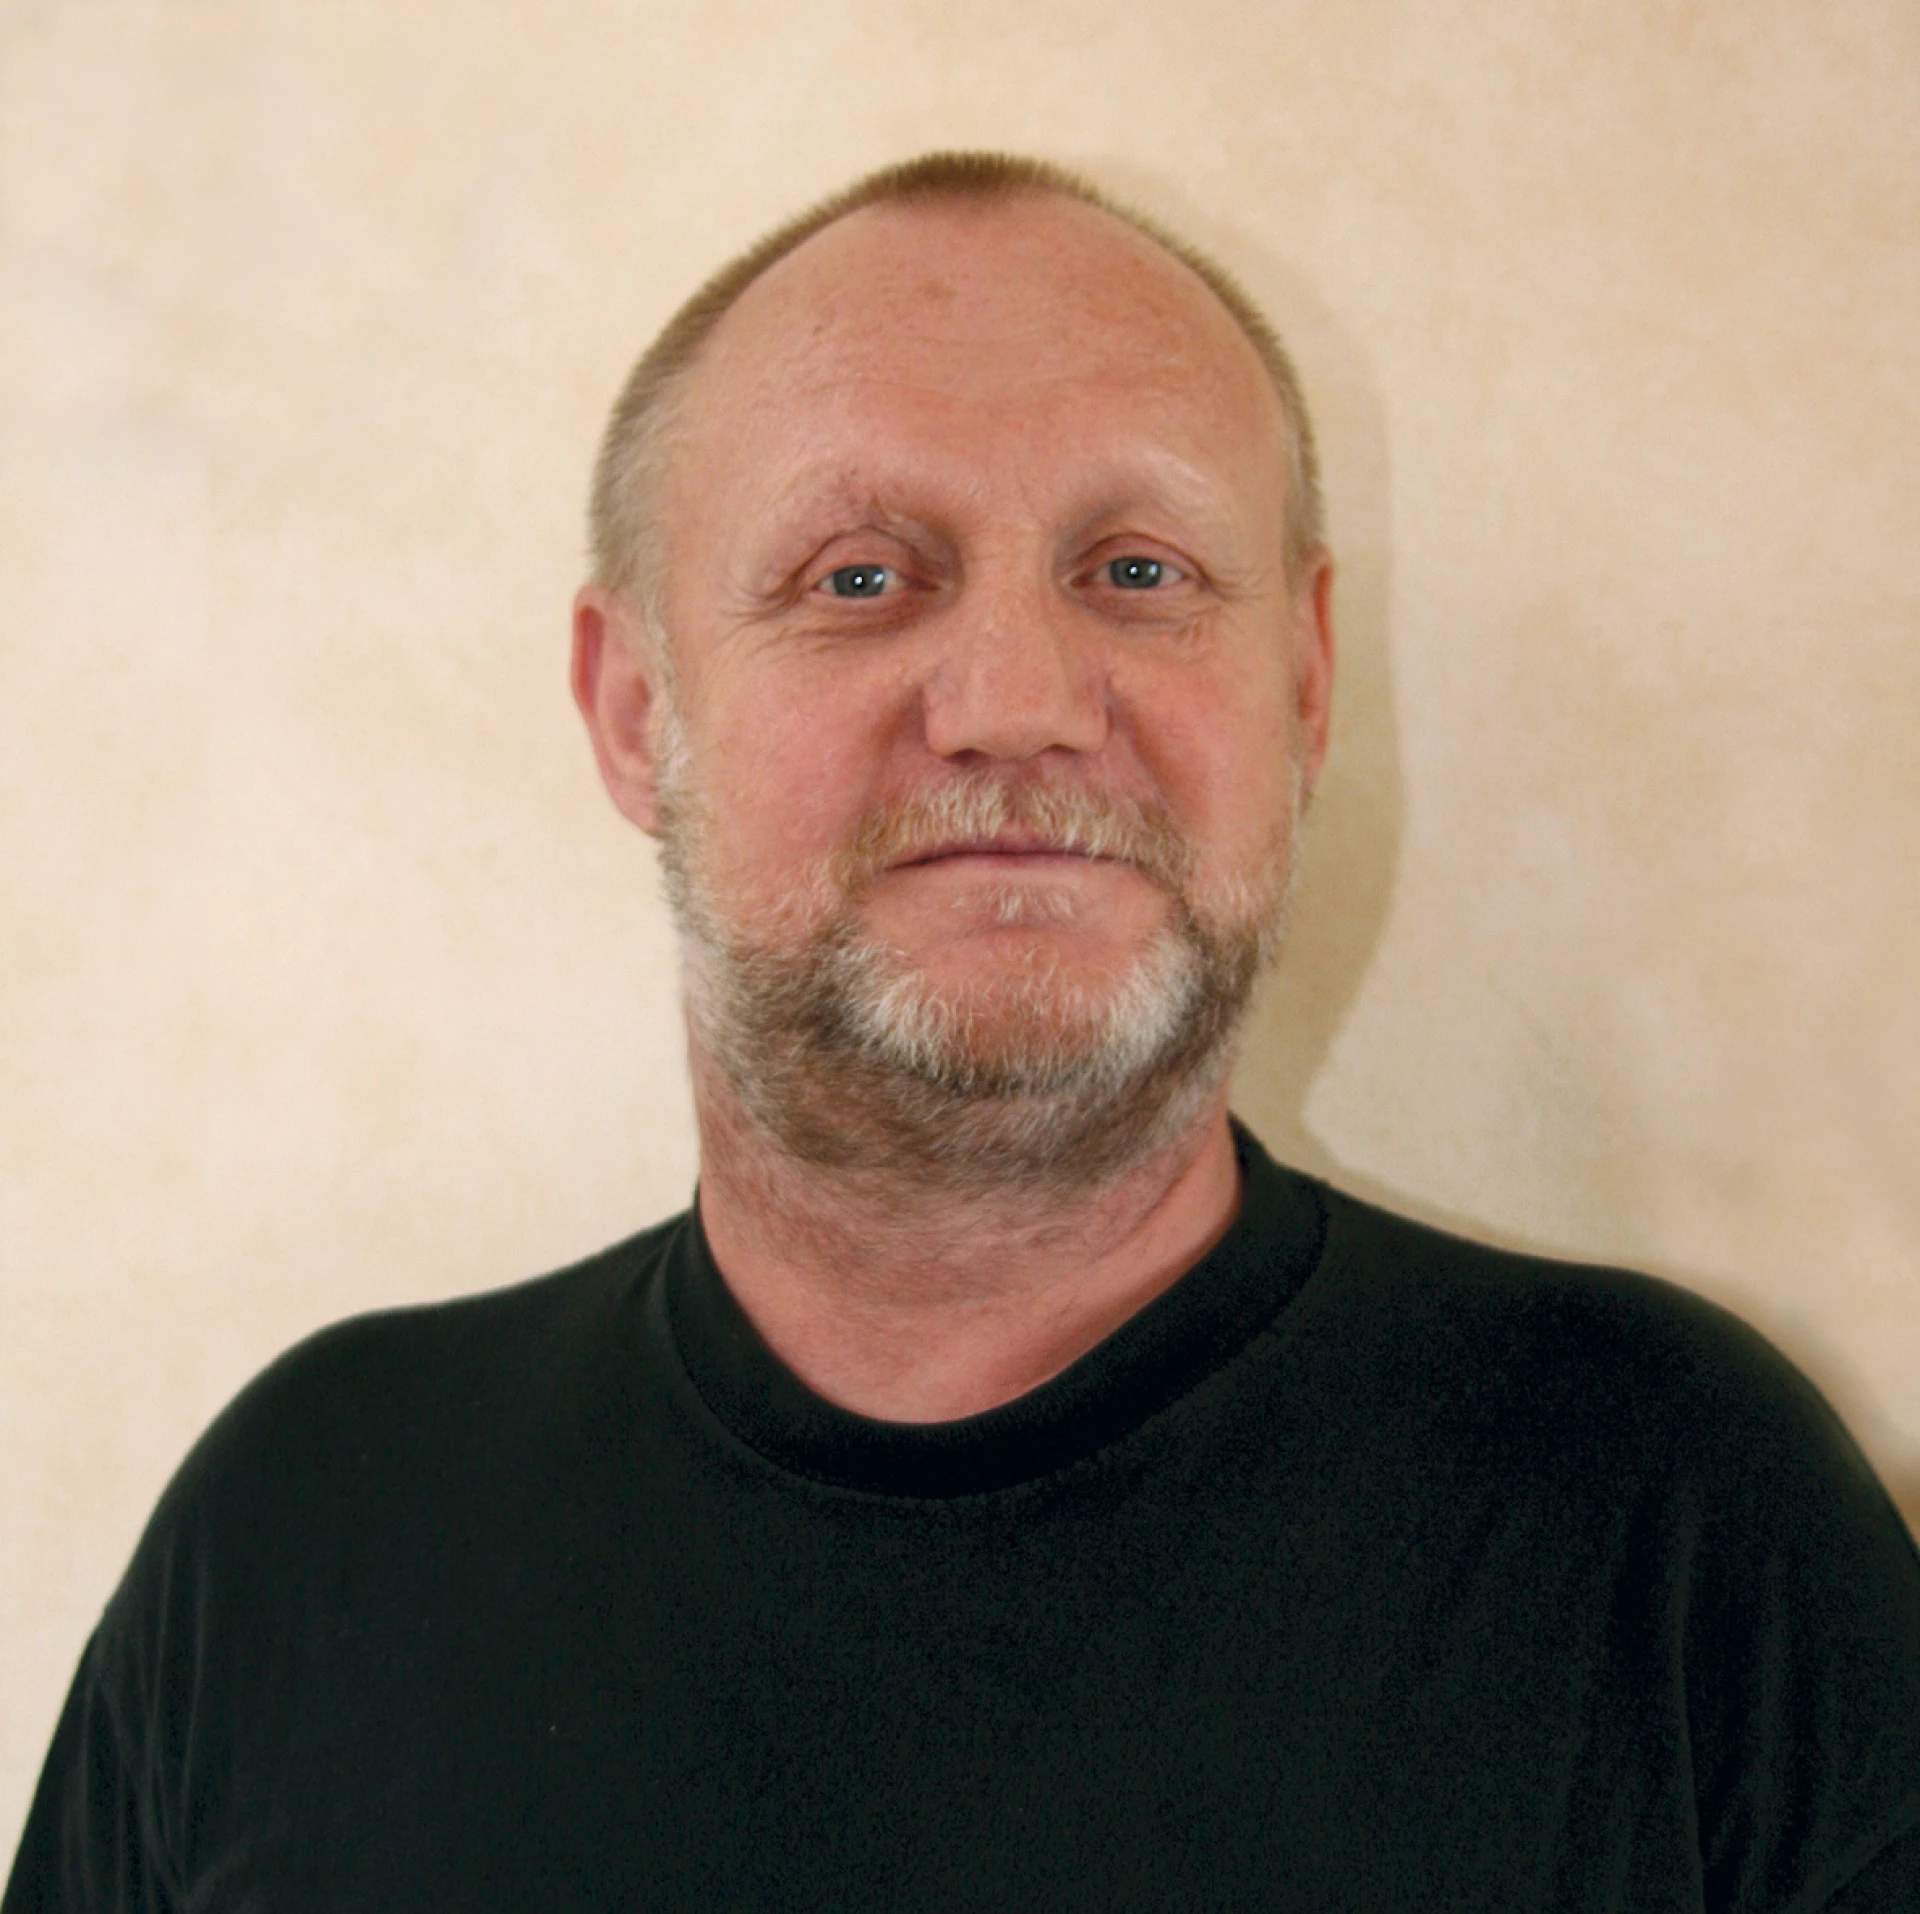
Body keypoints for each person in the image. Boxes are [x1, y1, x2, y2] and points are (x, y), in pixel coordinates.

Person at [7, 151, 1918, 1912]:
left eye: (1140, 572)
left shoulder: (1688, 1519)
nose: (1014, 698)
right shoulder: (308, 1534)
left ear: (1307, 681)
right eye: (859, 578)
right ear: (633, 709)